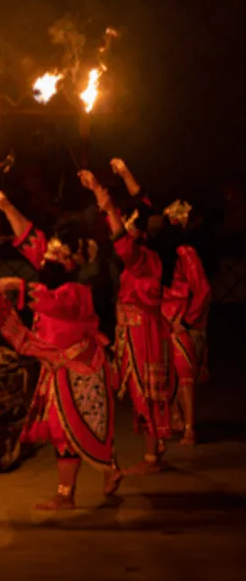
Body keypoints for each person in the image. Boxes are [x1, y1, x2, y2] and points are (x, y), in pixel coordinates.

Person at [0, 189, 122, 509]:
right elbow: (30, 237)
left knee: (71, 428)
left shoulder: (79, 291)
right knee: (76, 427)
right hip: (63, 366)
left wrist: (15, 286)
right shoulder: (61, 270)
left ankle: (68, 494)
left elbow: (53, 303)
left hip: (78, 368)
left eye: (54, 256)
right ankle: (106, 472)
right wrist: (6, 205)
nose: (46, 257)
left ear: (72, 259)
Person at [80, 161, 174, 471]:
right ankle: (155, 448)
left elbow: (122, 242)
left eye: (134, 224)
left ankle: (151, 455)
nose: (131, 223)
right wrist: (120, 176)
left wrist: (107, 207)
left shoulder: (143, 260)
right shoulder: (150, 256)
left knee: (143, 391)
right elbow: (146, 206)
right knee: (144, 391)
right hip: (140, 329)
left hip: (142, 333)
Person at [152, 199, 211, 445]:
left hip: (180, 319)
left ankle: (189, 428)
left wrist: (187, 321)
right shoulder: (160, 255)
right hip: (162, 320)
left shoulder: (185, 253)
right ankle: (175, 417)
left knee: (184, 373)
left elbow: (203, 290)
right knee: (165, 375)